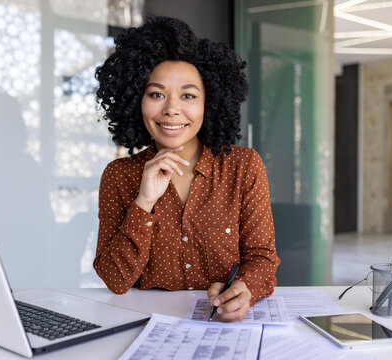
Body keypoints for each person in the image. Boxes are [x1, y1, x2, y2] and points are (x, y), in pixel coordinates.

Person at [93, 16, 280, 322]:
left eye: (188, 95)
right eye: (156, 94)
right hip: (147, 325)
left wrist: (244, 289)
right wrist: (144, 202)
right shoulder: (119, 175)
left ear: (210, 103)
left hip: (221, 326)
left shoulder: (243, 166)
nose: (171, 109)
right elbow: (115, 280)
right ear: (136, 101)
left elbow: (262, 257)